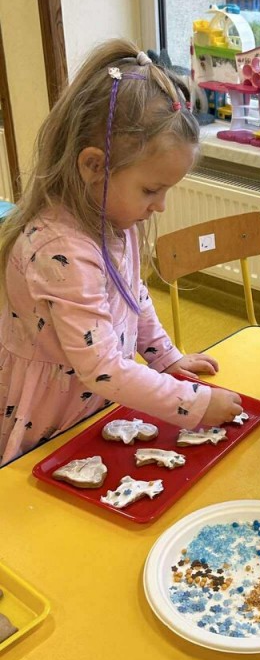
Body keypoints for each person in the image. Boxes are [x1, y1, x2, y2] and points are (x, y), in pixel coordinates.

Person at [0, 40, 242, 466]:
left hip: (94, 400)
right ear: (94, 167)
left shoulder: (114, 218)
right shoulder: (61, 252)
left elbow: (134, 297)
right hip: (49, 416)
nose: (160, 206)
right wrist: (194, 404)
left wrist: (165, 357)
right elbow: (105, 368)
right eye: (151, 190)